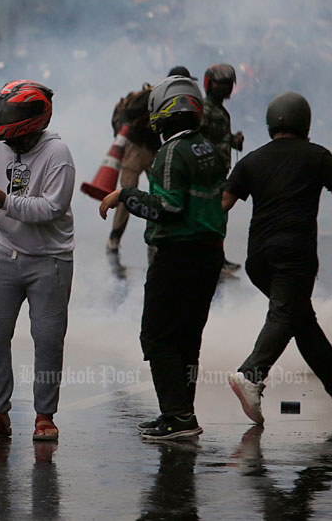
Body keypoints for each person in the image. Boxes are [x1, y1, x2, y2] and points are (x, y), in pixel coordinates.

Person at [223, 92, 332, 425]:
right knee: (287, 314)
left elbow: (222, 203)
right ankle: (251, 375)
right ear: (305, 122)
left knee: (299, 316)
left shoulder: (252, 160)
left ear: (271, 123)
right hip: (294, 255)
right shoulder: (318, 156)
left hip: (258, 259)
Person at [99, 75, 226, 440]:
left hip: (177, 255)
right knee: (188, 339)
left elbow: (168, 207)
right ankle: (183, 413)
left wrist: (125, 194)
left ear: (162, 113)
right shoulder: (208, 148)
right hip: (208, 254)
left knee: (156, 337)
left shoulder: (171, 152)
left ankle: (176, 415)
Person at [0, 80, 75, 442]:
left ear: (35, 128)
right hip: (3, 253)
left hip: (50, 259)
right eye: (6, 141)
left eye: (17, 140)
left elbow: (52, 208)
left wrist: (3, 203)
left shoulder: (59, 154)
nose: (9, 147)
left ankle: (45, 417)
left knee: (47, 339)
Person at [105, 84, 159, 277]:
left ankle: (153, 241)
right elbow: (127, 115)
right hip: (136, 149)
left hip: (151, 150)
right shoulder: (150, 97)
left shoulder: (162, 97)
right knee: (126, 195)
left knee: (159, 195)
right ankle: (114, 238)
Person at [200, 63, 244, 273]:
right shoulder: (204, 109)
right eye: (221, 83)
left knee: (219, 215)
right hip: (206, 173)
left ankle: (217, 257)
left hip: (219, 173)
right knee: (210, 215)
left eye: (228, 84)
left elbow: (219, 138)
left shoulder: (221, 111)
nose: (225, 88)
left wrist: (234, 141)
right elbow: (198, 138)